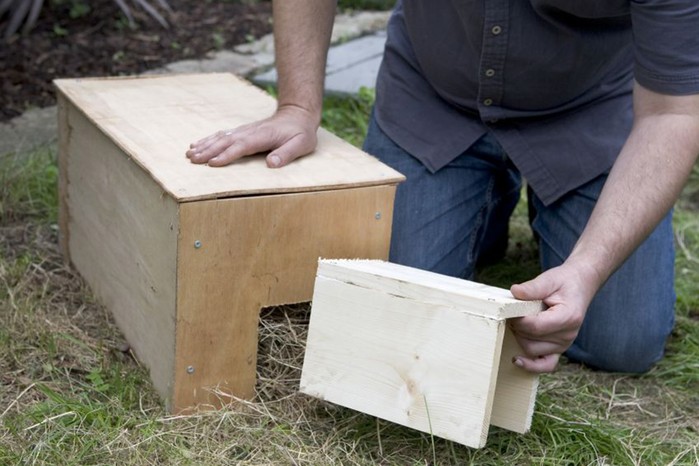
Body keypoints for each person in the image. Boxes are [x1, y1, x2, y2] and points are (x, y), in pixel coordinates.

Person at [185, 1, 699, 374]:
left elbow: (674, 115)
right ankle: (485, 200)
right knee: (394, 309)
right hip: (435, 99)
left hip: (589, 112)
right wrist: (298, 106)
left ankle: (555, 215)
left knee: (622, 342)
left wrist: (587, 270)